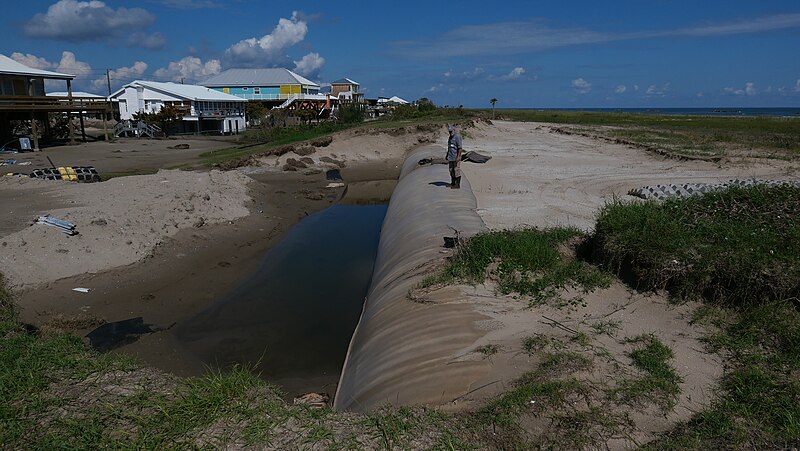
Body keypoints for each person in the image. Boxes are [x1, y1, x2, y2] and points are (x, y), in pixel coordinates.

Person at [446, 124, 463, 188]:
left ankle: (457, 184)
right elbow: (449, 147)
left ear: (454, 130)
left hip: (456, 157)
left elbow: (460, 148)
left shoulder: (457, 137)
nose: (450, 133)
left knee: (456, 170)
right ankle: (452, 183)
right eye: (449, 132)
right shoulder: (450, 138)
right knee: (451, 170)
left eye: (451, 131)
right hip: (450, 157)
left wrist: (458, 157)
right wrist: (447, 155)